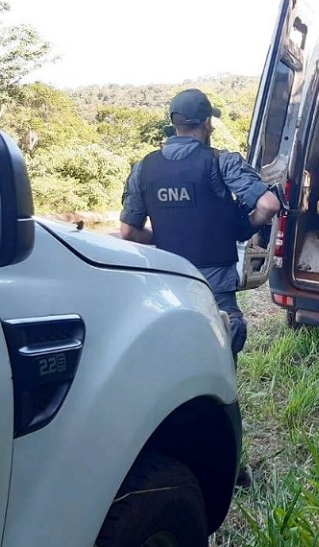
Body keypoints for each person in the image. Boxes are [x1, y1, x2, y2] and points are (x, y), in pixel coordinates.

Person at [119, 89, 282, 486]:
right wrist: (241, 226)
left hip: (169, 287)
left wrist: (165, 240)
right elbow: (268, 205)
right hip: (215, 291)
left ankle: (167, 462)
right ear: (207, 122)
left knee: (170, 377)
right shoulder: (221, 161)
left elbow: (128, 232)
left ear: (173, 123)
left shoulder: (144, 167)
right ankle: (228, 469)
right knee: (220, 378)